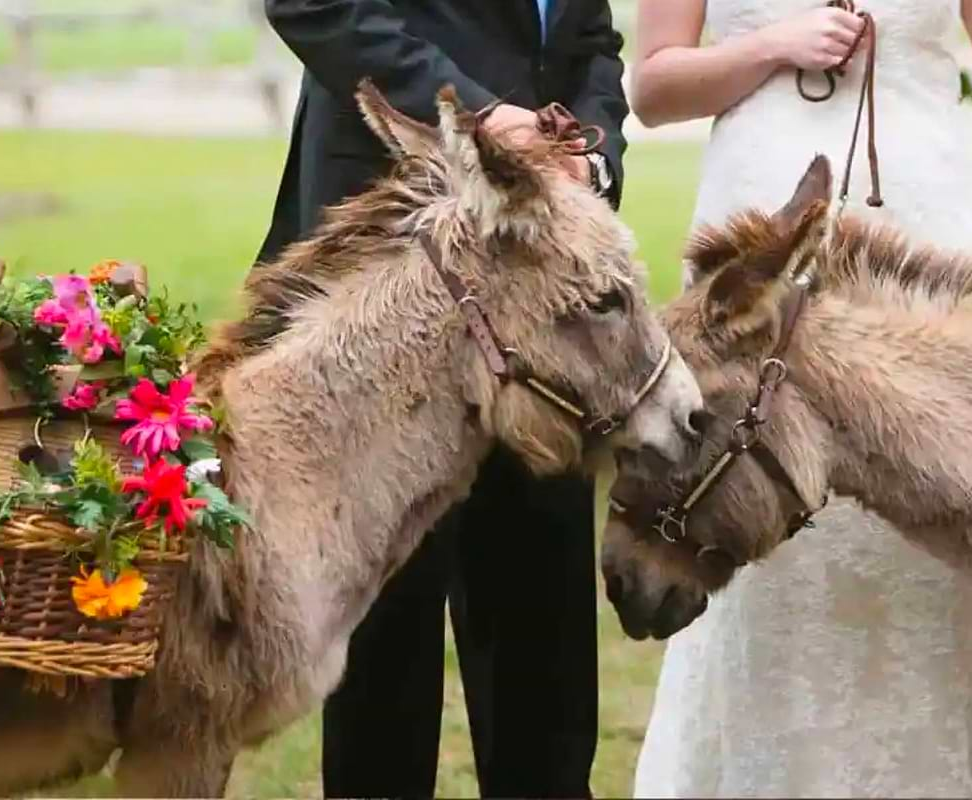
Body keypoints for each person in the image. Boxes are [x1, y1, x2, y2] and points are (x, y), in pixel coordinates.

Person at [626, 0, 972, 796]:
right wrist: (777, 46)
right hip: (762, 237)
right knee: (759, 499)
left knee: (950, 514)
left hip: (928, 232)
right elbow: (652, 86)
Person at [255, 0, 629, 796]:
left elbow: (589, 42)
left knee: (544, 615)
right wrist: (483, 118)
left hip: (541, 288)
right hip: (394, 260)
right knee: (390, 618)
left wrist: (589, 160)